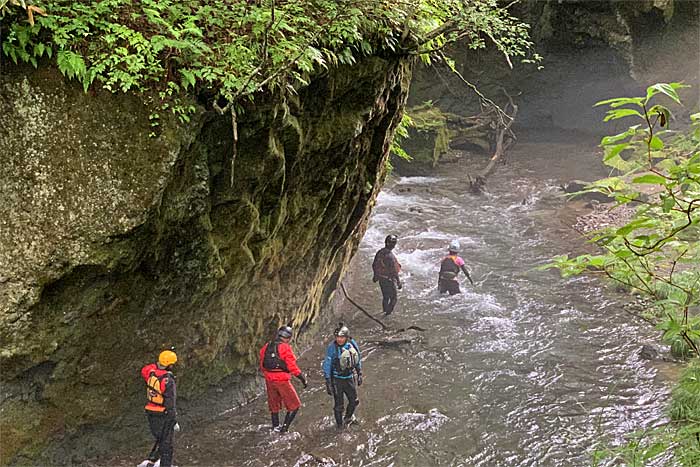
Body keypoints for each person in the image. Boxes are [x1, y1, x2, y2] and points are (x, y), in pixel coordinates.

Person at [259, 325, 307, 433]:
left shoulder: (267, 346)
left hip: (269, 380)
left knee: (274, 405)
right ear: (288, 338)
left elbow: (262, 364)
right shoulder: (285, 347)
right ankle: (284, 430)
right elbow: (292, 367)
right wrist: (302, 378)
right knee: (294, 405)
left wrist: (269, 375)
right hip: (282, 380)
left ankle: (275, 427)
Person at [141, 349, 179, 467]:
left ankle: (151, 460)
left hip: (151, 412)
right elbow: (170, 402)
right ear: (170, 365)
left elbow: (144, 369)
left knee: (160, 437)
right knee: (167, 445)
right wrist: (174, 420)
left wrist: (158, 364)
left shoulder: (151, 373)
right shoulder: (168, 381)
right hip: (164, 414)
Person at [323, 323, 363, 430]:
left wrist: (359, 373)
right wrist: (328, 381)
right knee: (338, 406)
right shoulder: (332, 348)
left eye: (342, 337)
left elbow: (357, 357)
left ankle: (348, 417)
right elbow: (327, 363)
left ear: (346, 337)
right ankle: (339, 426)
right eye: (337, 337)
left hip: (349, 377)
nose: (339, 339)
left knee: (354, 401)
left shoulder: (351, 344)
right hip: (337, 380)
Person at [372, 234, 402, 315]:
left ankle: (384, 310)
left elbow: (374, 264)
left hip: (381, 279)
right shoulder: (390, 256)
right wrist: (398, 282)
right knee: (394, 298)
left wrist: (375, 275)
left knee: (385, 297)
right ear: (393, 244)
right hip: (389, 280)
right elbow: (394, 271)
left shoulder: (380, 252)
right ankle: (387, 314)